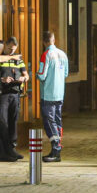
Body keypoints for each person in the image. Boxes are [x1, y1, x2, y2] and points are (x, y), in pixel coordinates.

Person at [37, 30, 69, 162]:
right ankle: (58, 148)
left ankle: (55, 149)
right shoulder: (63, 54)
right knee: (57, 120)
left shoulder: (46, 55)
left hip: (48, 94)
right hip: (60, 92)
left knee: (49, 122)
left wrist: (36, 74)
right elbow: (66, 73)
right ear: (53, 40)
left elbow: (42, 74)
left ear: (44, 42)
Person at [0, 36, 29, 152]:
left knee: (13, 119)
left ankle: (12, 144)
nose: (12, 51)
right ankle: (4, 146)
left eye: (14, 49)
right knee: (3, 120)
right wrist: (2, 79)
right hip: (3, 94)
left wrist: (23, 78)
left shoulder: (18, 60)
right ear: (5, 45)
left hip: (15, 93)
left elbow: (27, 75)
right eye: (10, 49)